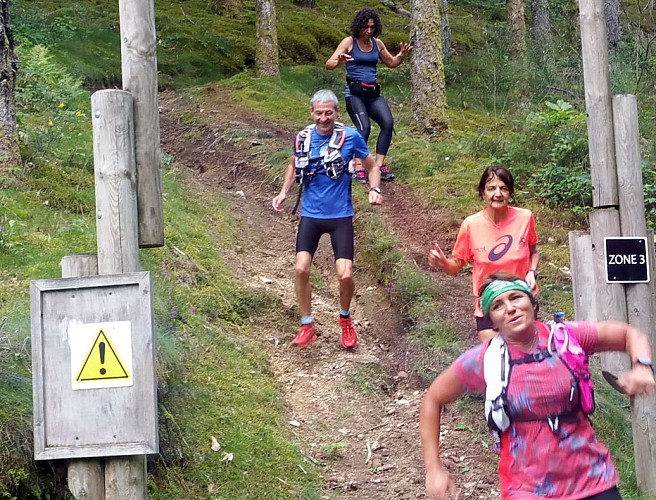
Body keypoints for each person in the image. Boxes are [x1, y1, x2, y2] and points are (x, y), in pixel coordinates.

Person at [420, 271, 656, 500]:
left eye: (515, 297)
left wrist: (642, 366)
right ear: (493, 321)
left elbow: (629, 335)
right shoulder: (484, 360)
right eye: (498, 305)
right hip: (527, 489)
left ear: (533, 304)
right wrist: (433, 469)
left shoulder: (566, 338)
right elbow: (433, 399)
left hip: (593, 481)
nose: (510, 308)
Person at [272, 89, 383, 349]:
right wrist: (283, 192)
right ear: (312, 113)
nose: (324, 118)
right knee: (301, 268)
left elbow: (371, 165)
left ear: (336, 112)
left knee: (345, 276)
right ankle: (307, 324)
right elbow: (292, 164)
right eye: (319, 113)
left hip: (340, 216)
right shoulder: (302, 138)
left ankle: (345, 319)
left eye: (328, 113)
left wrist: (374, 189)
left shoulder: (350, 137)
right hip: (311, 215)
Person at [428, 165, 539, 343]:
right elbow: (455, 267)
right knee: (495, 362)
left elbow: (533, 250)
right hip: (489, 306)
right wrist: (443, 263)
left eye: (503, 188)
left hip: (520, 303)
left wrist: (532, 272)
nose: (498, 194)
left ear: (510, 192)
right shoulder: (471, 225)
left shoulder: (525, 218)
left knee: (526, 360)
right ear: (483, 192)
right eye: (491, 188)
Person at [325, 7, 412, 184]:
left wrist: (401, 56)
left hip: (373, 93)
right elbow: (329, 63)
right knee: (364, 127)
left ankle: (379, 165)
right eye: (366, 27)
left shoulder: (377, 43)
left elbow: (391, 62)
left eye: (372, 27)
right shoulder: (349, 42)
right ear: (359, 26)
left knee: (388, 123)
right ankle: (357, 166)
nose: (369, 31)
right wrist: (339, 61)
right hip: (354, 95)